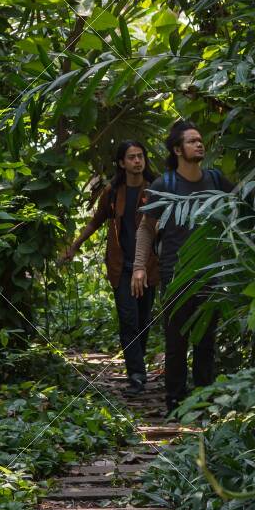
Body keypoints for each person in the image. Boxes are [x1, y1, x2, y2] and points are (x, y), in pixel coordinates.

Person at [132, 120, 233, 416]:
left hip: (210, 273)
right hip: (175, 274)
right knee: (176, 343)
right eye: (192, 141)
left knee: (206, 342)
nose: (199, 144)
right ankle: (175, 404)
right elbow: (146, 228)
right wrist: (139, 267)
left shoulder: (215, 179)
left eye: (200, 140)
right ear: (177, 149)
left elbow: (242, 207)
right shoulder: (165, 185)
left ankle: (203, 403)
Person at [61, 140, 160, 393]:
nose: (138, 161)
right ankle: (137, 376)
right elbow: (95, 222)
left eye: (140, 156)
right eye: (132, 157)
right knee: (128, 320)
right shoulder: (114, 192)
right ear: (121, 163)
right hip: (120, 266)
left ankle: (138, 369)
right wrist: (74, 246)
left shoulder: (155, 190)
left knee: (143, 321)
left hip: (148, 266)